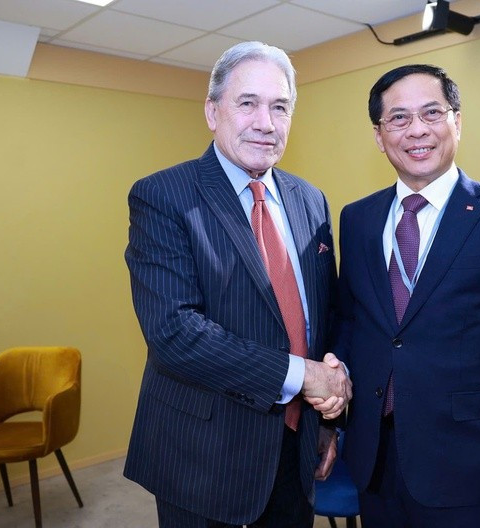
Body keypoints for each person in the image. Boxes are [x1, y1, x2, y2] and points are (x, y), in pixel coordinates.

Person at [123, 41, 351, 528]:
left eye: (280, 107)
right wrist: (302, 375)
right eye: (247, 103)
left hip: (296, 449)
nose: (265, 122)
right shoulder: (163, 196)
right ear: (212, 111)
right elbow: (174, 335)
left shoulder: (310, 199)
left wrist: (328, 418)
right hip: (204, 456)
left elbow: (323, 316)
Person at [334, 64, 480, 527]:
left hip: (464, 457)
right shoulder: (356, 219)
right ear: (379, 135)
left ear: (457, 121)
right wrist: (331, 423)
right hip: (373, 450)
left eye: (432, 113)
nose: (416, 130)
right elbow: (351, 323)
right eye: (398, 118)